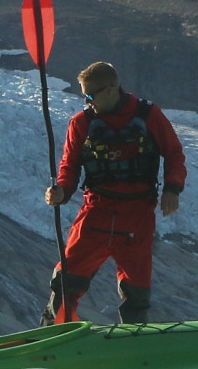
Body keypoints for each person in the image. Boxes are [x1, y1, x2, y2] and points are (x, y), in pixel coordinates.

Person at [43, 61, 187, 324]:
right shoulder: (81, 123)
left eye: (90, 95)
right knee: (66, 280)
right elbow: (70, 165)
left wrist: (172, 189)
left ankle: (133, 342)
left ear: (110, 89)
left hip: (137, 216)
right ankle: (55, 333)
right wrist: (62, 191)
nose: (87, 102)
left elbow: (175, 154)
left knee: (137, 291)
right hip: (96, 213)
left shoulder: (149, 116)